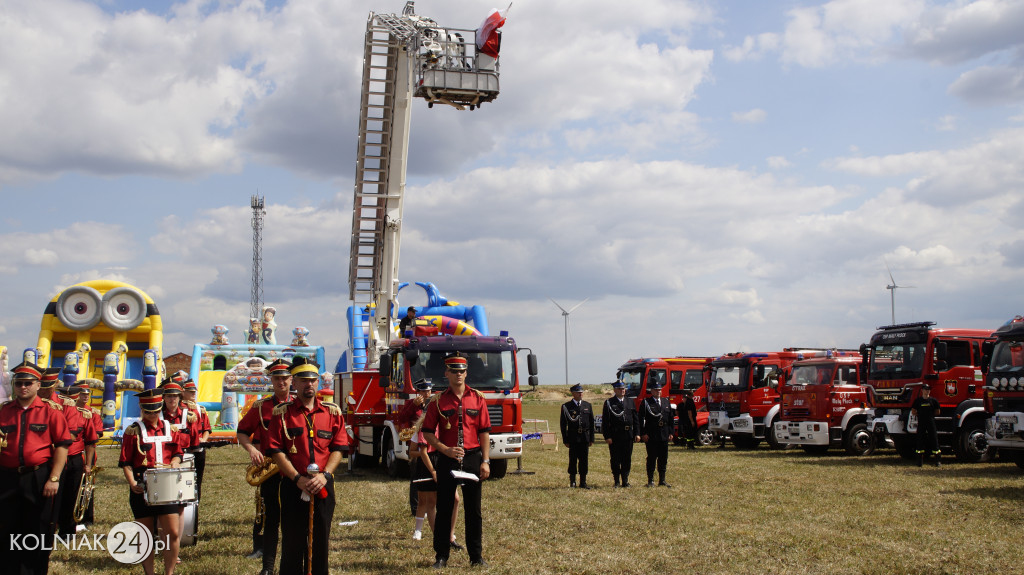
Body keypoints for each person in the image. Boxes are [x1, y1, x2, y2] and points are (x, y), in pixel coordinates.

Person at [265, 357, 347, 575]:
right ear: (295, 382)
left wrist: (325, 475)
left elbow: (339, 448)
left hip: (323, 485)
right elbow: (276, 451)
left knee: (321, 542)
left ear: (318, 382)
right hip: (293, 485)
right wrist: (297, 479)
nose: (308, 384)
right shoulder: (282, 413)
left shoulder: (332, 413)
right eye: (303, 380)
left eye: (312, 380)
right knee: (292, 543)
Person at [0, 361, 71, 575]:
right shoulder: (3, 412)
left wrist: (54, 478)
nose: (23, 387)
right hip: (7, 478)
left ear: (38, 385)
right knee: (7, 528)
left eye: (28, 383)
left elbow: (62, 446)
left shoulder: (51, 413)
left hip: (38, 477)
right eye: (19, 383)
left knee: (38, 529)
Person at [422, 354, 491, 569]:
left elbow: (484, 432)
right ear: (447, 374)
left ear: (466, 373)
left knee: (474, 510)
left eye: (461, 371)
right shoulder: (438, 400)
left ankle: (476, 557)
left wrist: (486, 461)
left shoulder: (478, 398)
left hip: (471, 458)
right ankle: (441, 556)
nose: (458, 374)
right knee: (444, 508)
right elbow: (427, 433)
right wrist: (445, 450)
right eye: (454, 371)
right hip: (448, 458)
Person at [119, 388, 185, 575]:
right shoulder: (133, 431)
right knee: (145, 534)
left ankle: (169, 572)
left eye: (155, 410)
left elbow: (178, 452)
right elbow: (126, 462)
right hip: (142, 483)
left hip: (167, 484)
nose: (152, 414)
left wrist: (174, 461)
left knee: (172, 532)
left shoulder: (170, 429)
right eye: (148, 411)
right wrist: (132, 483)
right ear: (142, 409)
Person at [237, 359, 293, 574]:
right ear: (271, 380)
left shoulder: (297, 406)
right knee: (269, 516)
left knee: (292, 520)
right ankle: (267, 567)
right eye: (277, 378)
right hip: (269, 468)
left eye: (285, 378)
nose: (281, 382)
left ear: (291, 380)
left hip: (293, 469)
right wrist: (252, 450)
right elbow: (242, 432)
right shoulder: (261, 407)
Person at [408, 379, 463, 547]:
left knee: (454, 499)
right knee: (429, 502)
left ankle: (450, 536)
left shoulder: (445, 421)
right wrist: (433, 471)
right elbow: (421, 450)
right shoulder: (426, 422)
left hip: (444, 460)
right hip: (431, 464)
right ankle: (439, 537)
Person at [37, 368, 89, 539]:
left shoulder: (66, 404)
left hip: (67, 457)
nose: (43, 390)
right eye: (41, 385)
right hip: (39, 461)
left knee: (67, 497)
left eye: (47, 386)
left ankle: (66, 532)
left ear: (54, 386)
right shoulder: (31, 403)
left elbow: (71, 434)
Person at [57, 385, 98, 535]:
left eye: (70, 399)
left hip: (73, 459)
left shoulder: (85, 415)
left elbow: (90, 442)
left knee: (72, 496)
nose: (66, 402)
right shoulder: (53, 410)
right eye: (63, 398)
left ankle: (67, 532)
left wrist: (88, 464)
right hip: (53, 459)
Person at [397, 377, 428, 517]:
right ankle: (415, 508)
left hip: (429, 442)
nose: (426, 394)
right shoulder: (411, 403)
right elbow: (402, 418)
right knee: (416, 477)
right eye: (423, 391)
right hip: (416, 442)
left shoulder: (433, 404)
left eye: (428, 391)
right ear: (418, 392)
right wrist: (413, 406)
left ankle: (429, 506)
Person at [602, 381, 639, 487]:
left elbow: (635, 419)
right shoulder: (609, 402)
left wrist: (637, 433)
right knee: (615, 459)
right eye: (619, 389)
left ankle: (625, 480)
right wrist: (607, 436)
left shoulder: (630, 402)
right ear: (615, 390)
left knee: (627, 458)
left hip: (628, 435)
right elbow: (605, 422)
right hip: (615, 435)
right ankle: (617, 480)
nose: (622, 390)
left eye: (623, 389)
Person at [75, 385, 102, 528]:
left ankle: (87, 518)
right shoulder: (70, 410)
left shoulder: (93, 412)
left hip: (88, 453)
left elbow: (97, 434)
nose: (85, 397)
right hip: (74, 452)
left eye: (87, 394)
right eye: (82, 394)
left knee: (87, 486)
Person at [638, 382, 674, 487]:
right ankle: (650, 480)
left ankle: (662, 480)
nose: (658, 392)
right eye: (656, 390)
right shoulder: (646, 403)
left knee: (663, 458)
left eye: (659, 390)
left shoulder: (666, 402)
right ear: (652, 391)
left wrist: (671, 432)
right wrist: (643, 433)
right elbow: (641, 419)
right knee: (652, 458)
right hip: (651, 435)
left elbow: (670, 418)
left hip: (664, 435)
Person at [559, 383, 595, 488]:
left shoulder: (587, 405)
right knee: (573, 460)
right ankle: (573, 481)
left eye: (581, 392)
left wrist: (591, 438)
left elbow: (591, 423)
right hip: (573, 437)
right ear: (573, 393)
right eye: (578, 392)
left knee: (584, 460)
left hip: (584, 437)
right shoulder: (566, 406)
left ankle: (583, 482)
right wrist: (565, 440)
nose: (580, 394)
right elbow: (563, 424)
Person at [911, 385, 941, 468]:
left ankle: (937, 461)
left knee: (934, 440)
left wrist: (929, 416)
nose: (927, 391)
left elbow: (937, 411)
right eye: (925, 389)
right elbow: (913, 411)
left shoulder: (933, 401)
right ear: (922, 390)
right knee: (920, 441)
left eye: (928, 389)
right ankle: (919, 461)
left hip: (931, 422)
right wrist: (921, 415)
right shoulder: (918, 401)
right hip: (921, 423)